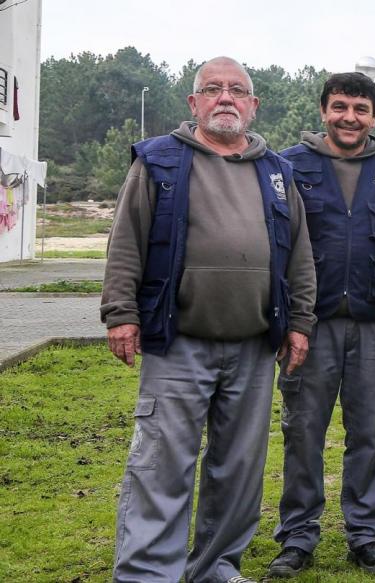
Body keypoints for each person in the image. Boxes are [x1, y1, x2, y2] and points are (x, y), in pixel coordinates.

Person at [101, 56, 316, 583]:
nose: (226, 98)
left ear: (253, 105)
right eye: (213, 89)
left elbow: (300, 256)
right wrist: (120, 312)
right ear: (194, 103)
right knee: (161, 465)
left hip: (252, 347)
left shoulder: (277, 172)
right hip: (179, 343)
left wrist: (300, 322)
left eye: (237, 90)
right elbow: (126, 240)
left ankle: (216, 566)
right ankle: (149, 573)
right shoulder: (159, 161)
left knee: (238, 470)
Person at [267, 72, 375, 577]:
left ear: (374, 116)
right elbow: (276, 245)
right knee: (303, 431)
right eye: (340, 106)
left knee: (368, 435)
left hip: (373, 326)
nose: (350, 117)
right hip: (310, 326)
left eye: (361, 108)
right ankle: (298, 536)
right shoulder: (287, 165)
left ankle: (365, 534)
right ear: (324, 110)